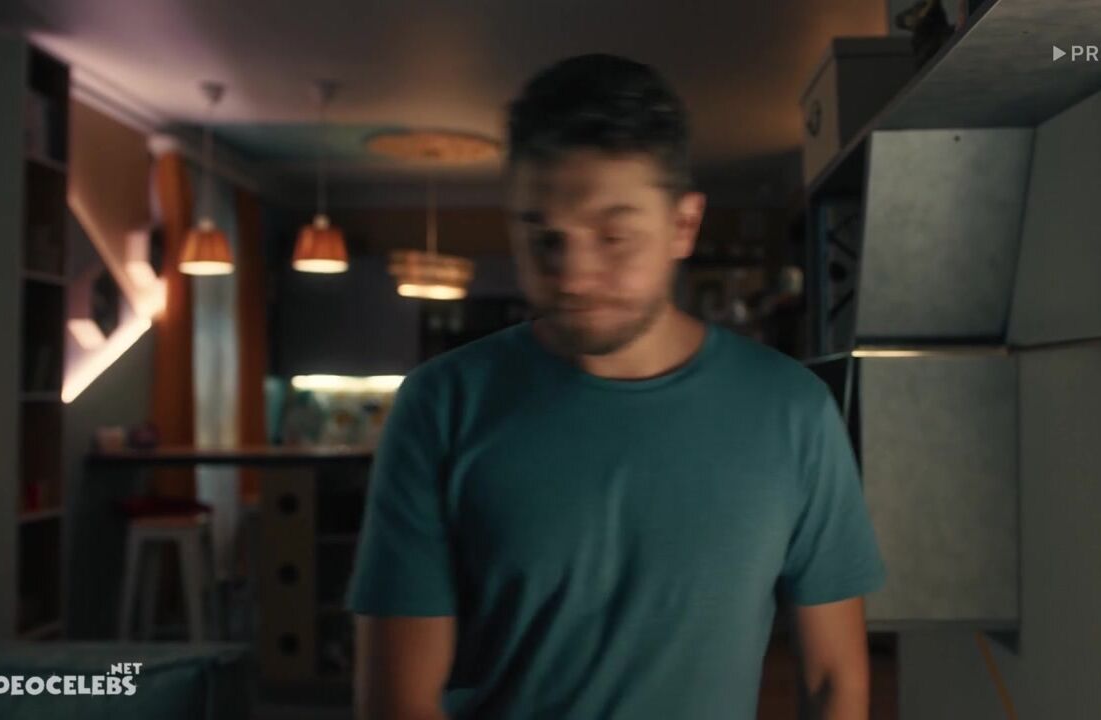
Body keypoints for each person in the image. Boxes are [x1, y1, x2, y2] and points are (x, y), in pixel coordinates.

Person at [348, 53, 886, 720]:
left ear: (683, 225)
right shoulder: (441, 405)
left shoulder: (793, 411)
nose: (573, 276)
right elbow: (397, 703)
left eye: (613, 236)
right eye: (545, 239)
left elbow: (835, 680)